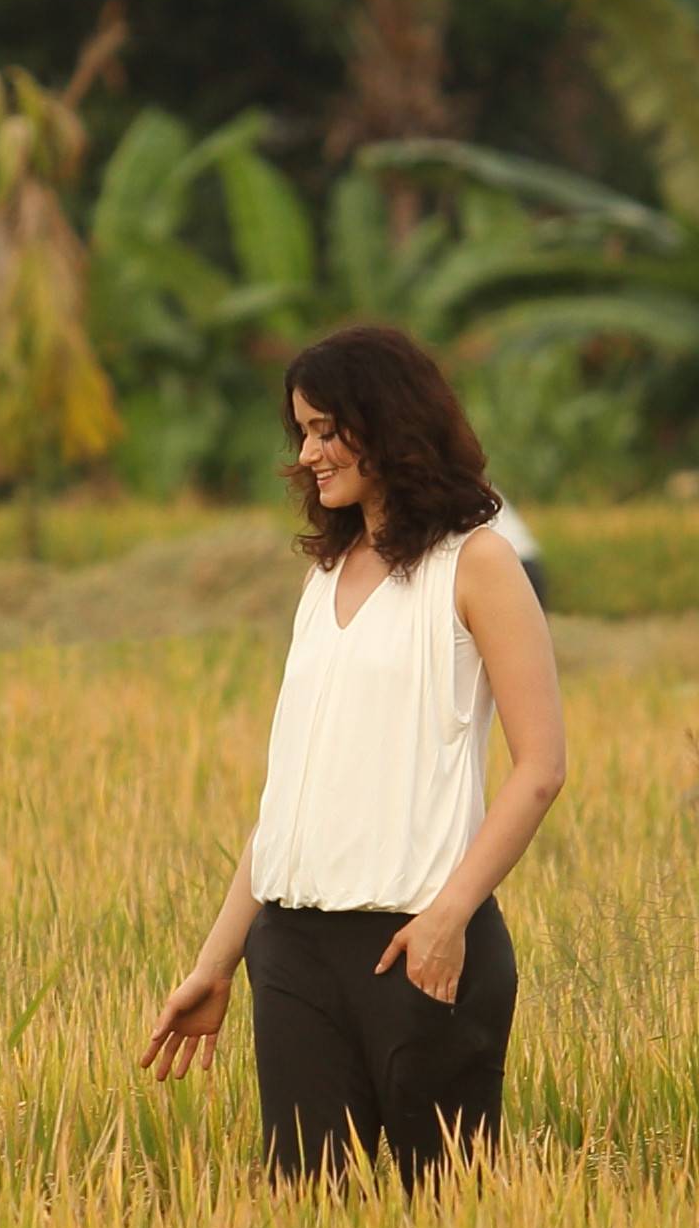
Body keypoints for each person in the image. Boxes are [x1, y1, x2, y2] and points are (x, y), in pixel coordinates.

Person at [141, 323, 569, 1178]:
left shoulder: (477, 565)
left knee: (443, 1226)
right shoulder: (323, 580)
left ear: (391, 426)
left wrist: (449, 916)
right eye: (302, 431)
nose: (309, 453)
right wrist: (216, 962)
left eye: (328, 430)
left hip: (421, 950)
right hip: (292, 954)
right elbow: (289, 800)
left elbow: (542, 767)